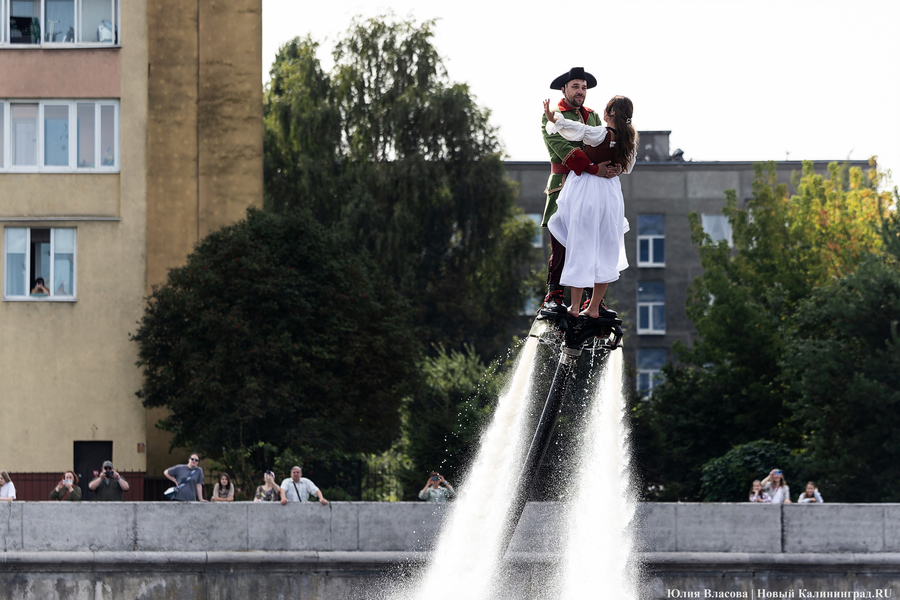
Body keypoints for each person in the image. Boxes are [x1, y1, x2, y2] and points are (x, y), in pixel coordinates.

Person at [539, 67, 621, 315]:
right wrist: (594, 168)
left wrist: (615, 166)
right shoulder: (552, 116)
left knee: (593, 240)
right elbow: (563, 148)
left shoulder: (593, 116)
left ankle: (592, 301)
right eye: (576, 86)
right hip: (564, 182)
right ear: (563, 89)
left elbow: (605, 143)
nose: (581, 92)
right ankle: (554, 295)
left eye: (584, 87)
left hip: (591, 189)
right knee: (561, 241)